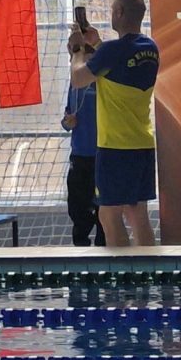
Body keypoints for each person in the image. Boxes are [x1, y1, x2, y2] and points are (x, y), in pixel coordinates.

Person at [69, 0, 159, 247]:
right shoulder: (150, 48)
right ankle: (150, 268)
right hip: (142, 143)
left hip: (115, 147)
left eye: (111, 10)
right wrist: (96, 44)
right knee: (138, 214)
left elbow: (78, 79)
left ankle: (124, 271)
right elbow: (120, 64)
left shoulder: (112, 50)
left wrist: (77, 50)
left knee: (108, 215)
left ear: (119, 13)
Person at [62, 75, 105, 247]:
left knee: (105, 209)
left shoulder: (105, 80)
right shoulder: (75, 84)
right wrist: (68, 122)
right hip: (79, 154)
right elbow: (67, 117)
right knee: (77, 207)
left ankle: (104, 248)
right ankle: (80, 248)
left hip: (104, 153)